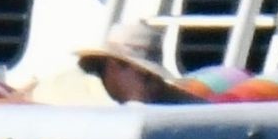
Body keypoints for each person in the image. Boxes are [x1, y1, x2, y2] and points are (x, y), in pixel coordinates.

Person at [71, 20, 206, 105]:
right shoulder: (78, 99)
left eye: (158, 79)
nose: (155, 87)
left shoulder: (172, 101)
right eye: (147, 77)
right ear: (114, 66)